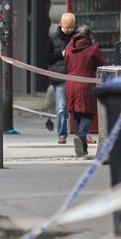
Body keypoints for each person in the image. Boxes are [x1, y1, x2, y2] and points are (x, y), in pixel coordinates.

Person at [64, 26, 105, 157]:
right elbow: (101, 64)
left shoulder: (69, 48)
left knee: (76, 114)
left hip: (71, 84)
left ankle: (83, 149)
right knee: (87, 114)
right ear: (88, 35)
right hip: (87, 84)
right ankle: (81, 135)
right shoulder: (93, 49)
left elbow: (66, 63)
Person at [46, 13, 77, 144]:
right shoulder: (52, 38)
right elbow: (47, 57)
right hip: (59, 76)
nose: (69, 30)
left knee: (79, 106)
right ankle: (62, 134)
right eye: (67, 27)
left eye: (71, 27)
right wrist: (61, 53)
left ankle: (82, 132)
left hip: (75, 74)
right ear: (60, 24)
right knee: (61, 107)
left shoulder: (77, 37)